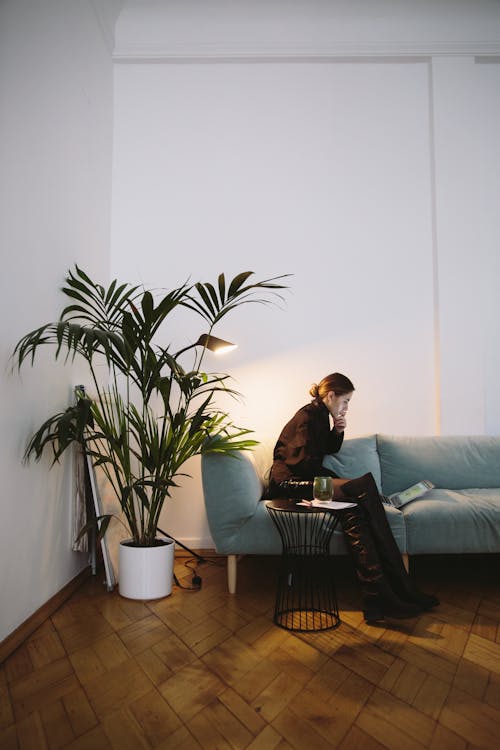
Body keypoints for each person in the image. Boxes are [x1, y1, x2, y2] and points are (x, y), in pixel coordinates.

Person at [268, 372, 439, 624]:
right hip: (290, 484)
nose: (347, 407)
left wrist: (336, 431)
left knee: (354, 511)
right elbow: (302, 465)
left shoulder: (320, 415)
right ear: (331, 395)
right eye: (345, 400)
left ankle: (379, 597)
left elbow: (325, 450)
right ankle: (399, 589)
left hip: (306, 479)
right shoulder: (307, 416)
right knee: (363, 486)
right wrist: (333, 482)